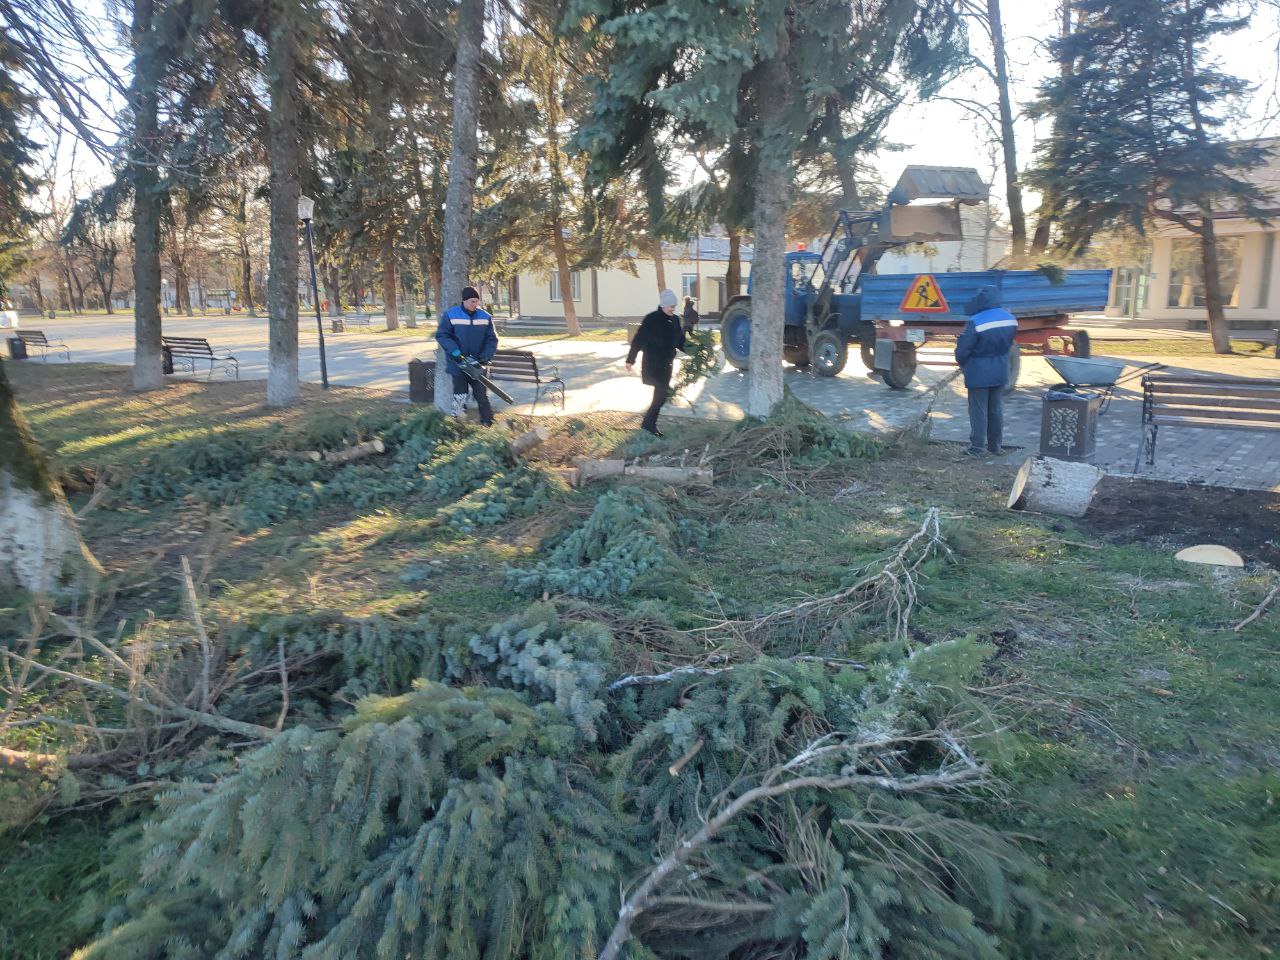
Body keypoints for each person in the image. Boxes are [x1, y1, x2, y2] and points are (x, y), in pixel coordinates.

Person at [954, 284, 1017, 456]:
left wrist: (961, 360)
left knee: (978, 411)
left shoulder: (976, 321)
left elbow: (963, 350)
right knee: (996, 410)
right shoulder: (1010, 319)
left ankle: (977, 448)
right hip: (1000, 371)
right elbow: (1009, 344)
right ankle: (995, 446)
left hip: (979, 373)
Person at [435, 285, 499, 426]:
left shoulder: (485, 317)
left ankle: (488, 423)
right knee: (460, 395)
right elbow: (442, 335)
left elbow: (492, 339)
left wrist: (485, 357)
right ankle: (457, 423)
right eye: (472, 301)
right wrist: (454, 351)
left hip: (477, 366)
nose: (475, 304)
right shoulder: (451, 315)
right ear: (464, 301)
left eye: (477, 301)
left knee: (481, 396)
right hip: (458, 365)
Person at [626, 288, 686, 437]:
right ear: (663, 305)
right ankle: (648, 424)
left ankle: (648, 424)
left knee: (661, 395)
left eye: (674, 306)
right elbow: (638, 339)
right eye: (670, 306)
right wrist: (630, 359)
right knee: (662, 394)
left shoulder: (675, 320)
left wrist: (695, 350)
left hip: (667, 365)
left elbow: (680, 341)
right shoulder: (651, 319)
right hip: (652, 365)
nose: (673, 308)